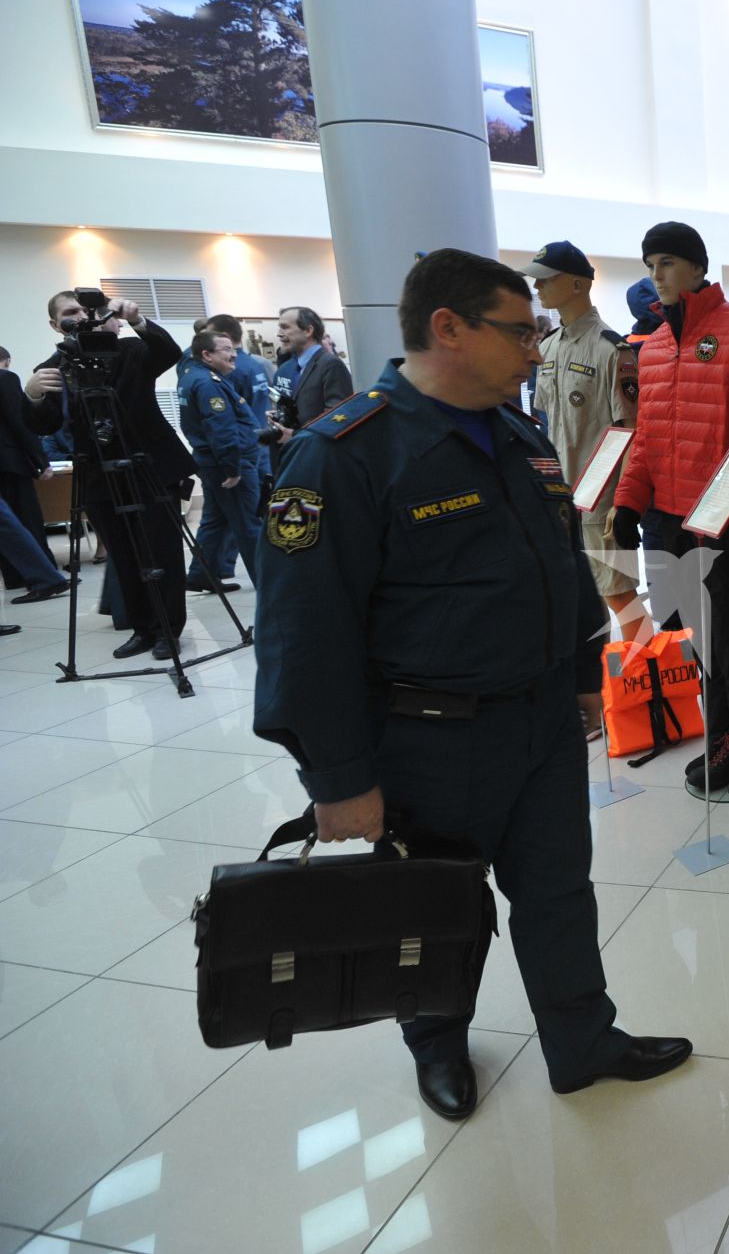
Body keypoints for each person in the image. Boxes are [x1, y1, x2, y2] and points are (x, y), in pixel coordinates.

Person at [252, 248, 691, 1123]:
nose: (536, 350)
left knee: (560, 892)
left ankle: (581, 1039)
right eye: (519, 332)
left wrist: (578, 680)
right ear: (447, 327)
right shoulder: (343, 453)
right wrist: (338, 779)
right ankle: (437, 1044)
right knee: (435, 907)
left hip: (539, 725)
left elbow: (560, 567)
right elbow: (305, 633)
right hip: (427, 739)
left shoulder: (518, 434)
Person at [608, 221, 729, 800]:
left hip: (726, 519)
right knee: (702, 641)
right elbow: (645, 438)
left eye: (667, 262)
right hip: (667, 517)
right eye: (649, 265)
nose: (656, 275)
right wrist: (627, 502)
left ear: (696, 267)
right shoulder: (656, 345)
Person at [24, 293, 195, 659]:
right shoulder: (53, 367)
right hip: (99, 472)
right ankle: (142, 629)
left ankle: (168, 630)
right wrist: (34, 396)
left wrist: (138, 321)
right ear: (55, 325)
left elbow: (168, 352)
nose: (82, 317)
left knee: (162, 552)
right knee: (123, 555)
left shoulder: (130, 351)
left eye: (87, 310)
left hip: (149, 467)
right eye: (70, 313)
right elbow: (46, 423)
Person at [519, 241, 646, 644]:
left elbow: (630, 429)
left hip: (600, 501)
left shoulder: (613, 349)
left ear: (577, 284)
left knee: (620, 596)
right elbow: (546, 423)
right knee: (576, 600)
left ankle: (642, 688)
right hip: (559, 498)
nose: (538, 289)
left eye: (546, 280)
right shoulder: (547, 348)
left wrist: (622, 501)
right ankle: (600, 691)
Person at [178, 331, 264, 592]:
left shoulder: (193, 375)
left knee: (215, 520)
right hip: (227, 465)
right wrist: (232, 468)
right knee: (249, 522)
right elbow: (221, 428)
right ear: (207, 355)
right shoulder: (208, 383)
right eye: (226, 349)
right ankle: (269, 581)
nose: (233, 354)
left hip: (212, 463)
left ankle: (200, 574)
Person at [0, 345, 59, 590]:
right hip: (10, 461)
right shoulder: (6, 378)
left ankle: (15, 577)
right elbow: (19, 420)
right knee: (26, 520)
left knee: (6, 528)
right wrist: (40, 459)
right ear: (6, 361)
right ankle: (45, 574)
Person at [272, 306, 355, 431]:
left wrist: (295, 436)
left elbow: (338, 419)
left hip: (316, 447)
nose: (279, 334)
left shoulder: (331, 365)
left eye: (285, 327)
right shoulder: (285, 369)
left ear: (308, 331)